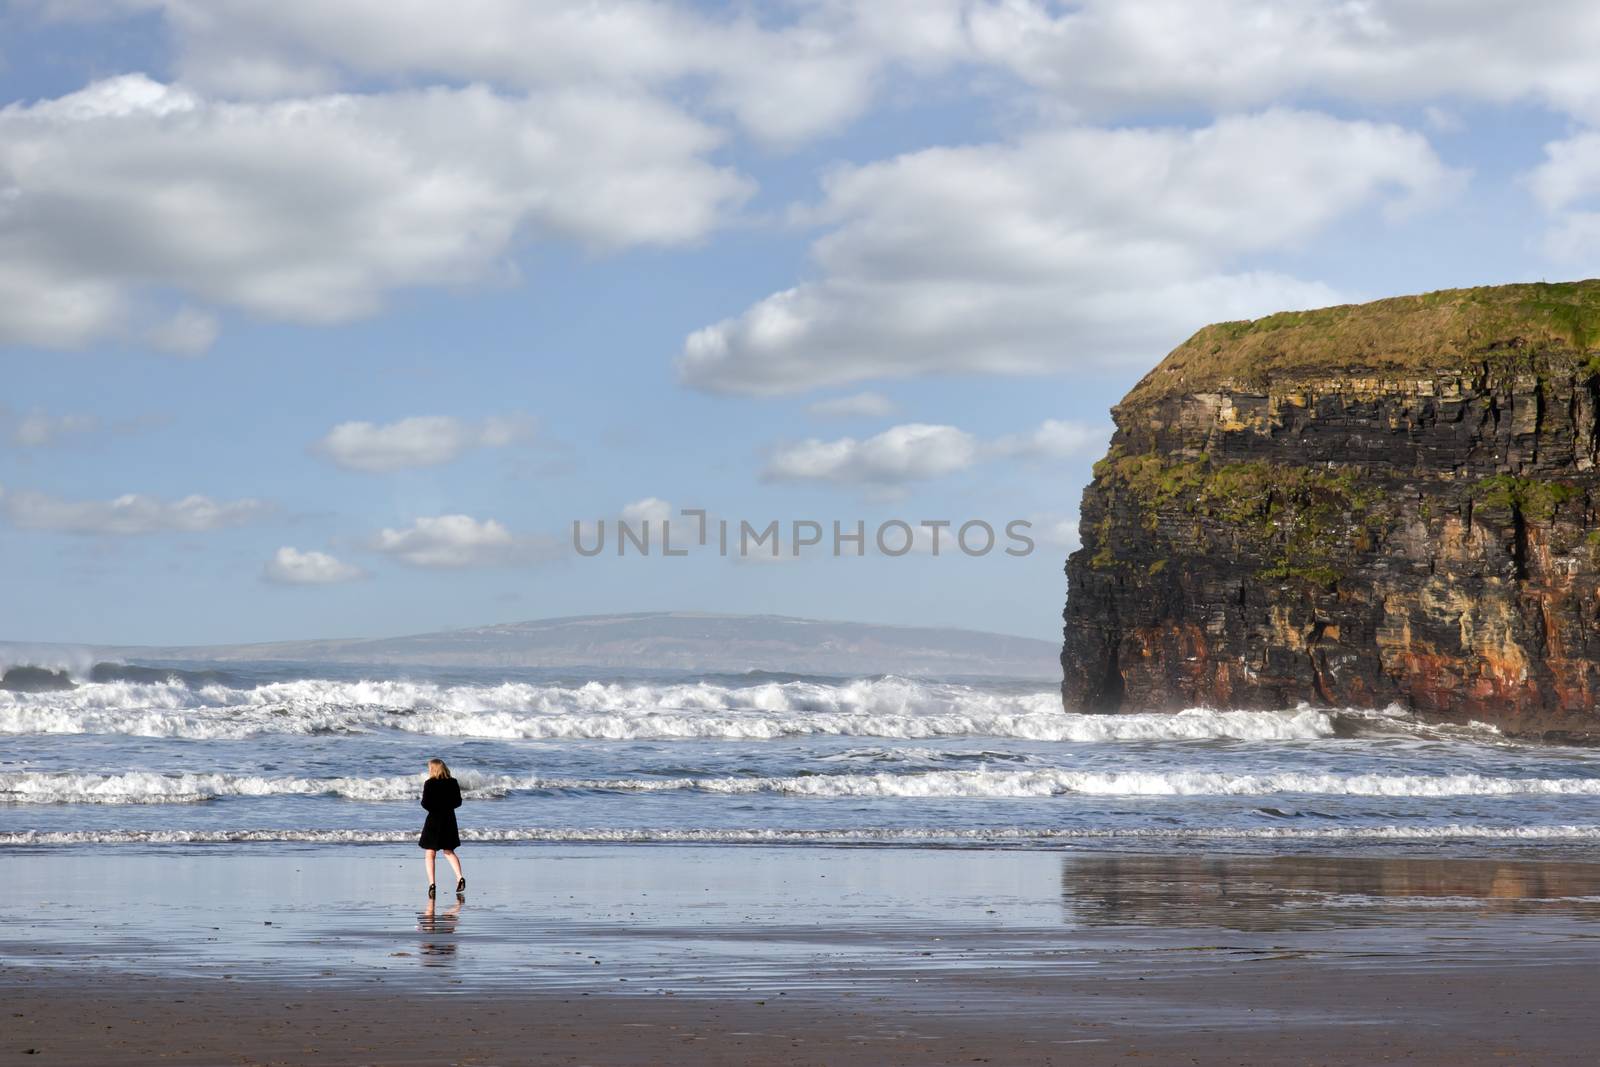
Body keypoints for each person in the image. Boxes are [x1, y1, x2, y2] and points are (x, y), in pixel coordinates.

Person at [419, 758, 465, 899]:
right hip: (449, 819)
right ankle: (460, 878)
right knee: (448, 851)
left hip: (434, 820)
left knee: (430, 853)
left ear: (433, 769)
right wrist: (446, 807)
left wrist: (435, 808)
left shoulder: (429, 783)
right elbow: (458, 802)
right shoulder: (453, 782)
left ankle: (432, 884)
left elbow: (425, 803)